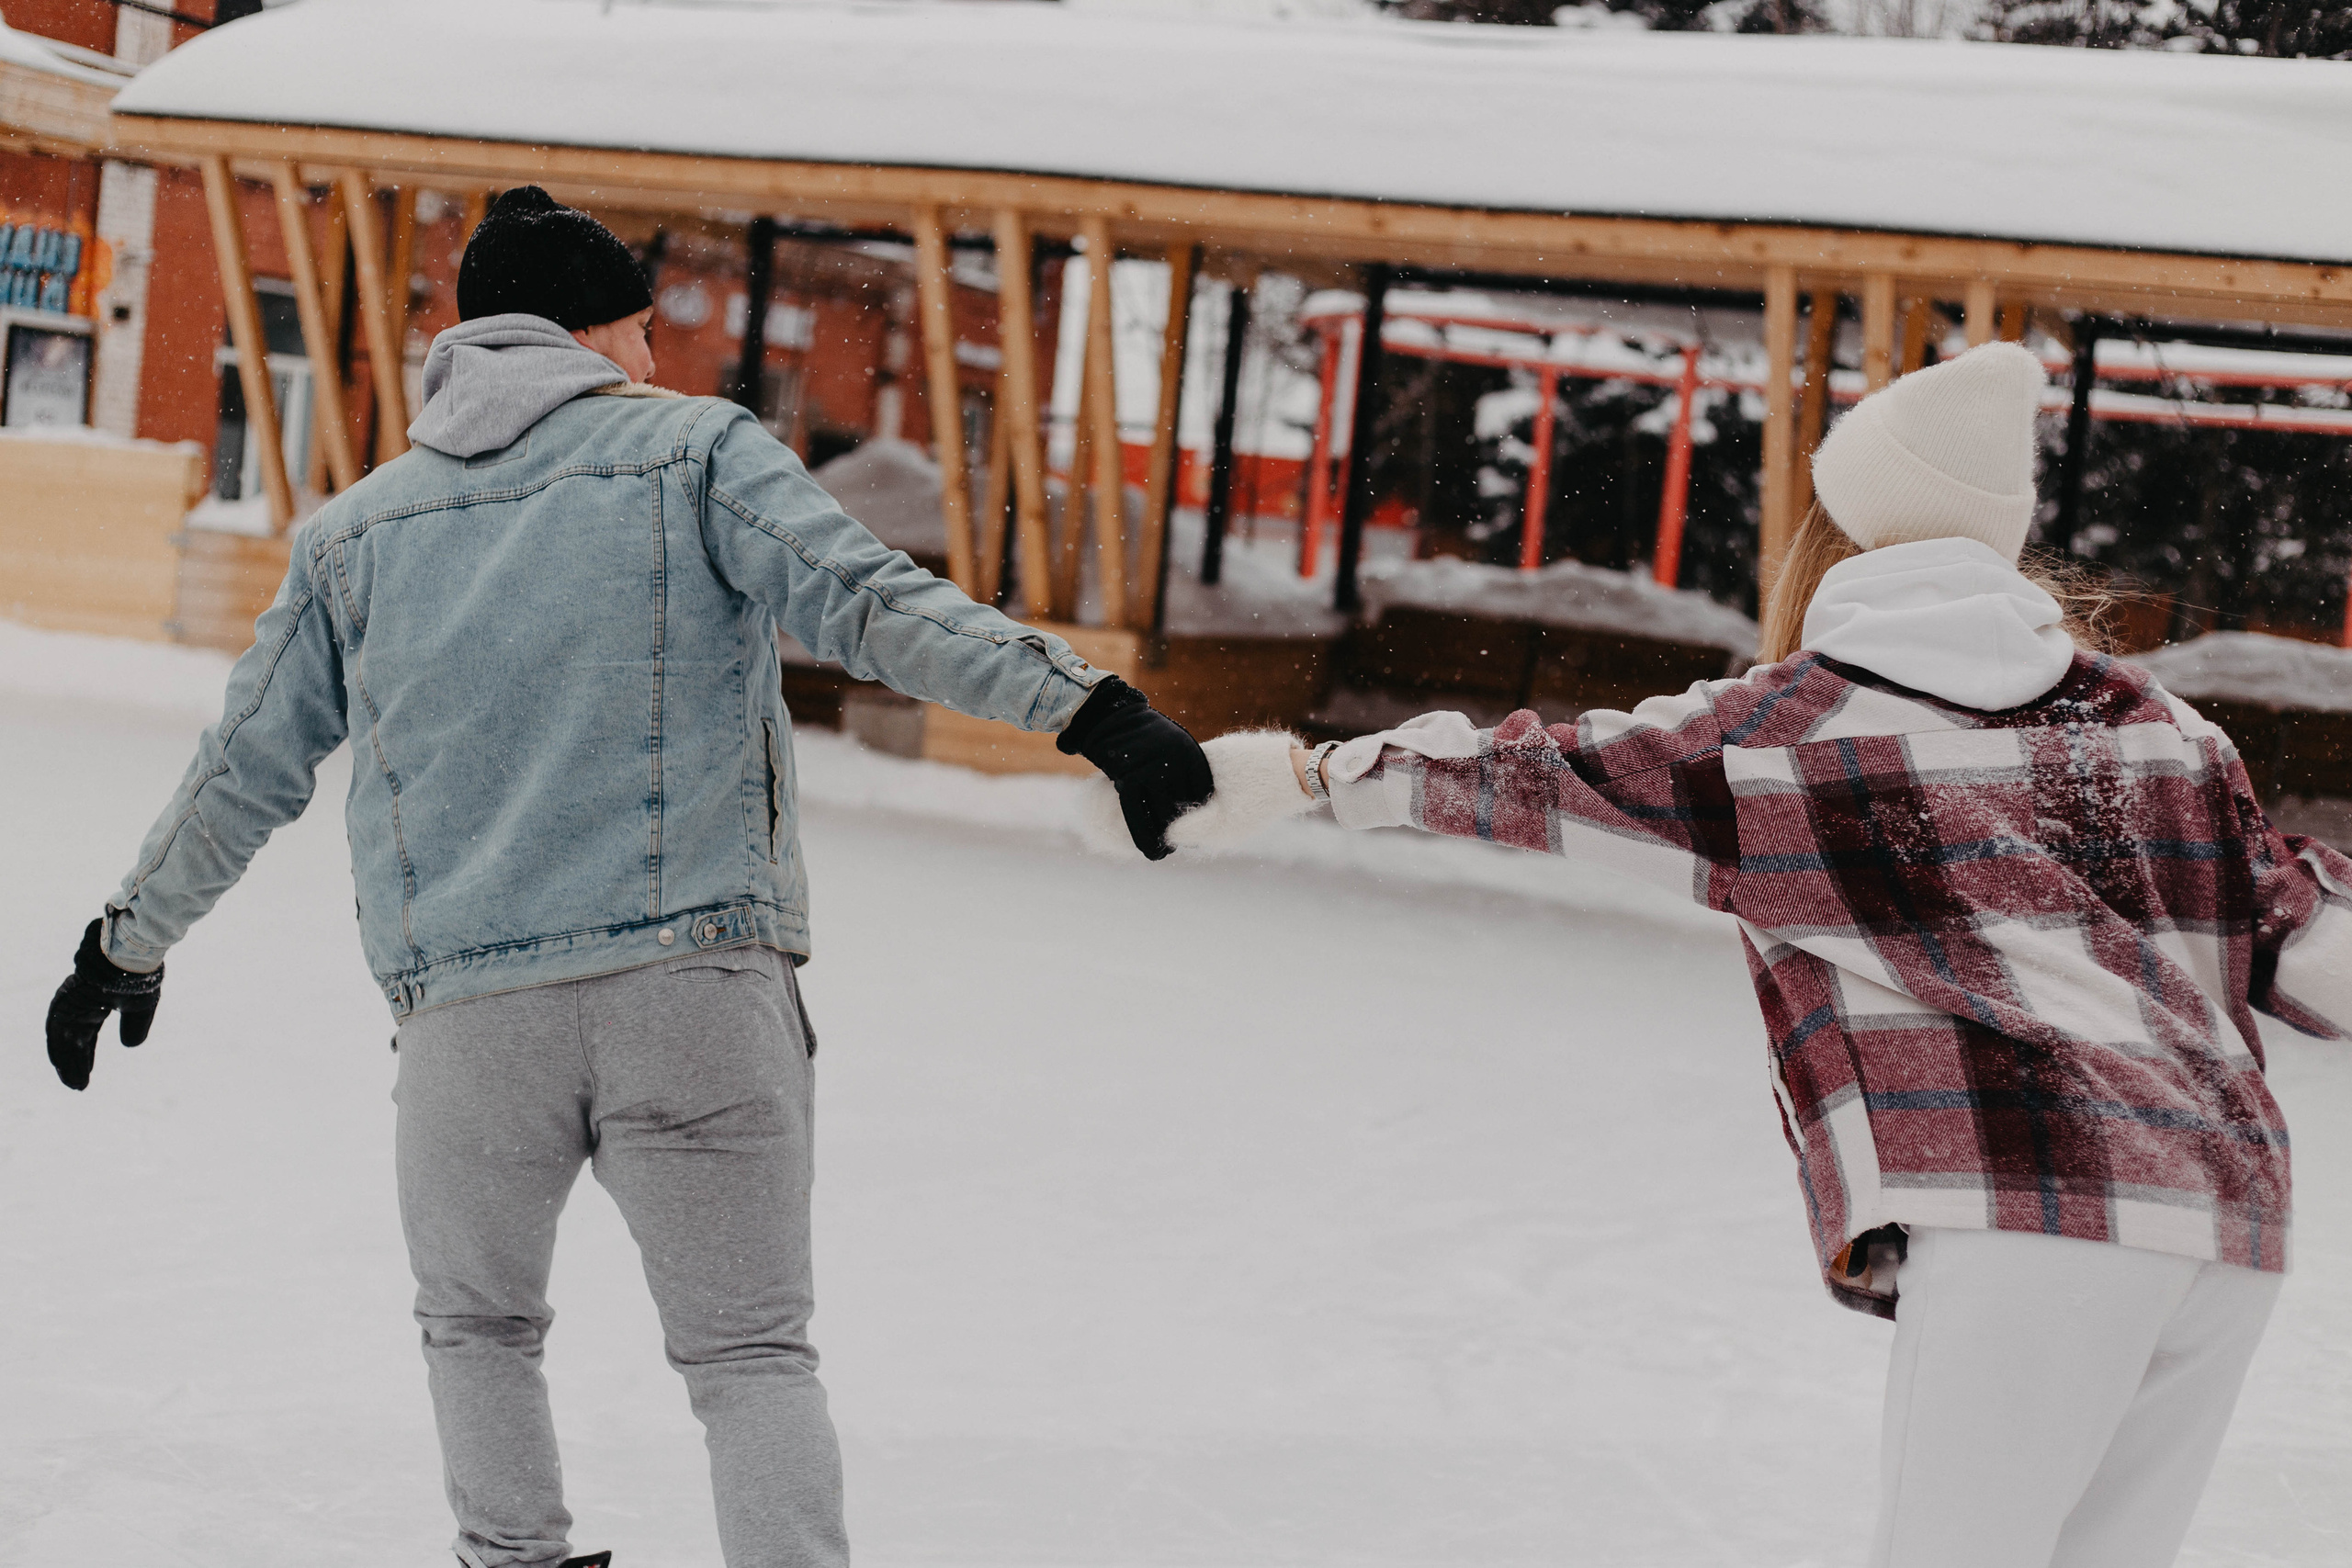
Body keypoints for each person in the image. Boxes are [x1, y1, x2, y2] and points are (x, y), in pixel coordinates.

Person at [41, 186, 1211, 1568]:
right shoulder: (694, 453)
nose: (655, 362)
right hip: (695, 984)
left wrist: (128, 939)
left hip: (473, 1018)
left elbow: (243, 767)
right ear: (591, 331)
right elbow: (875, 601)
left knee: (477, 1329)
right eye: (644, 330)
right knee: (752, 1358)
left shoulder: (355, 535)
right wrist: (1098, 716)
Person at [1179, 342, 2352, 1566]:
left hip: (2037, 1202)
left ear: (1838, 536)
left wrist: (1306, 771)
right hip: (2228, 1217)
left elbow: (1540, 775)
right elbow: (2309, 940)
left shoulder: (1794, 726)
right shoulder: (2159, 726)